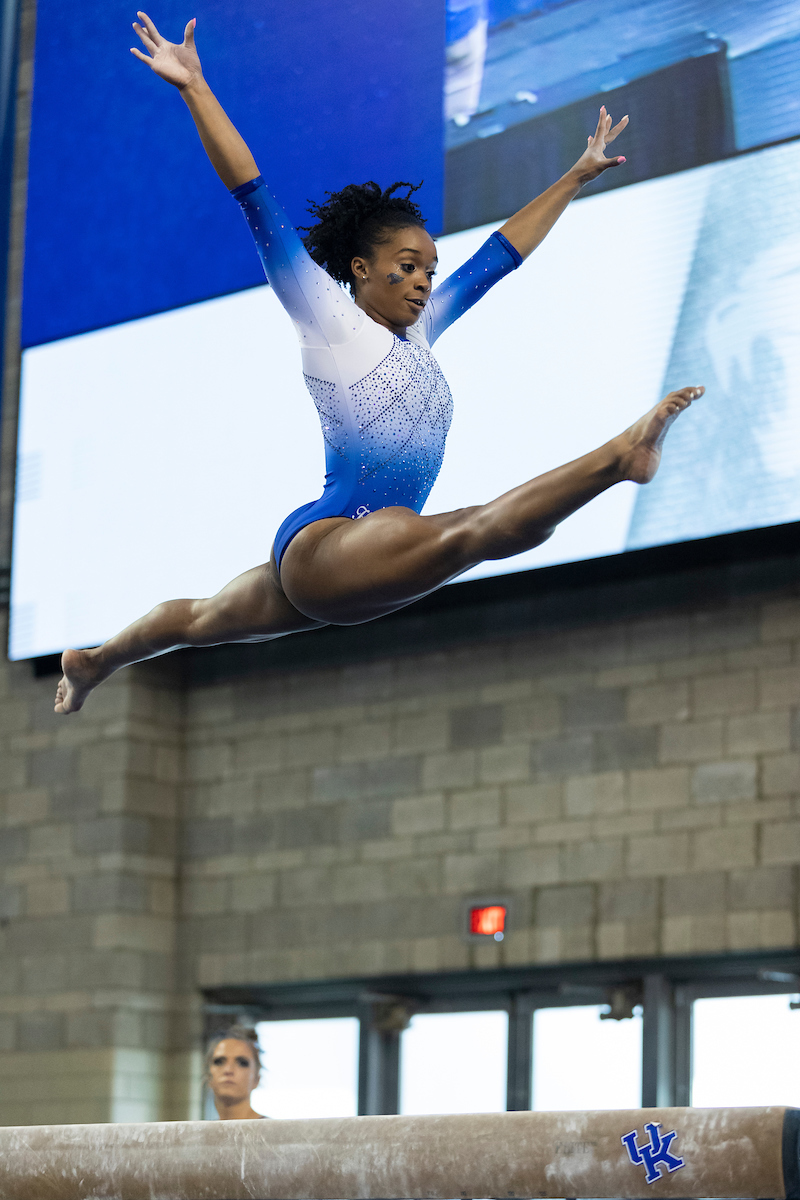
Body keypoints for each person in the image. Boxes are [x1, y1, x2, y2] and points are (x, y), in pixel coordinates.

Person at [54, 12, 704, 714]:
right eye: (407, 266)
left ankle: (94, 659)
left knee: (201, 620)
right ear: (360, 269)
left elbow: (499, 256)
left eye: (429, 267)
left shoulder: (419, 331)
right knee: (473, 531)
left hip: (351, 551)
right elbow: (253, 194)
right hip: (332, 544)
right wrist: (195, 89)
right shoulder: (327, 318)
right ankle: (618, 459)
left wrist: (575, 177)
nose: (425, 280)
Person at [205, 1025, 266, 1120]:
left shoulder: (274, 1132)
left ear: (257, 1079)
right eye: (219, 1062)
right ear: (208, 1076)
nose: (228, 1070)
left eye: (242, 1063)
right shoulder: (200, 1133)